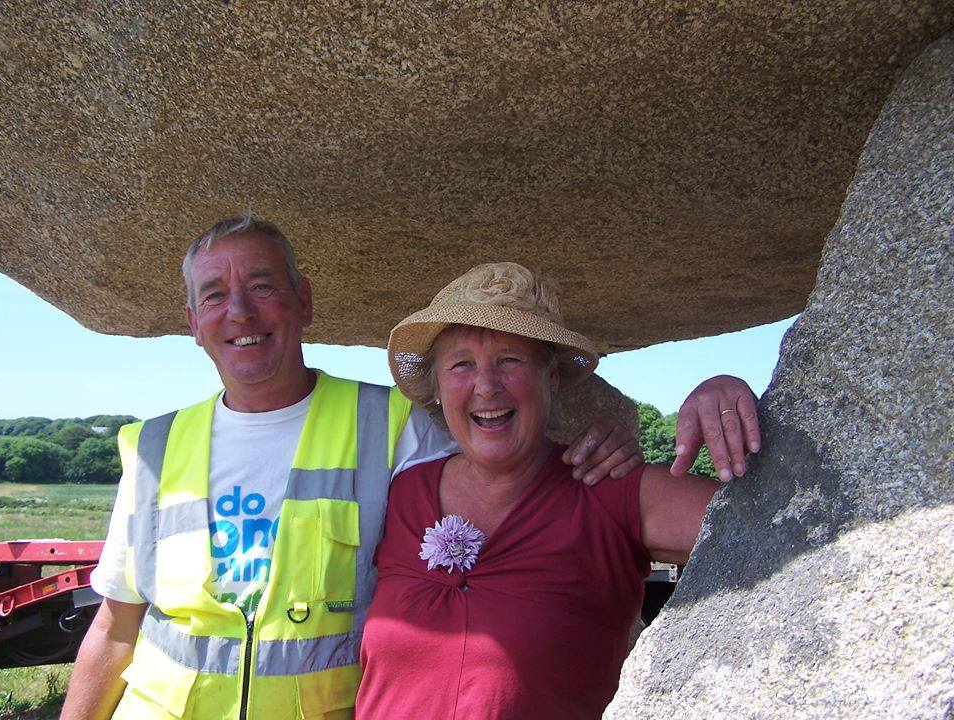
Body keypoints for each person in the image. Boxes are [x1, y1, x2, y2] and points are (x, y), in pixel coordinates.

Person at [59, 217, 739, 720]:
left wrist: (705, 402)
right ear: (191, 320)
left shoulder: (397, 436)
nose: (238, 311)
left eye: (262, 286)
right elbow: (115, 627)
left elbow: (772, 528)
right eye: (462, 366)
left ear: (305, 301)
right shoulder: (154, 447)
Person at [355, 262, 760, 719]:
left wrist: (724, 394)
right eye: (461, 364)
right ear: (438, 387)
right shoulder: (402, 491)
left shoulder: (609, 491)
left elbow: (779, 529)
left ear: (551, 378)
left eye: (509, 360)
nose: (485, 386)